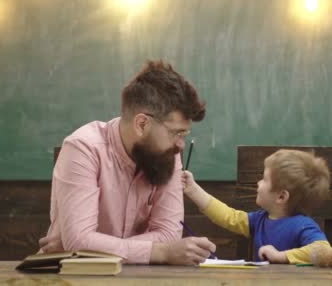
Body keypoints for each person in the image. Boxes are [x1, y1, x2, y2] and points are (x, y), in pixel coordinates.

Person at [38, 60, 216, 265]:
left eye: (185, 134)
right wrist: (162, 252)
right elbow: (79, 241)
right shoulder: (83, 148)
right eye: (176, 132)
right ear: (142, 124)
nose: (181, 145)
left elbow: (169, 234)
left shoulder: (168, 154)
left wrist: (91, 246)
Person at [182, 149, 331, 264]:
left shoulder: (303, 225)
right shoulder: (259, 219)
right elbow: (228, 217)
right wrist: (193, 190)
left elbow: (324, 249)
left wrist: (282, 256)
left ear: (281, 197)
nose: (258, 183)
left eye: (264, 179)